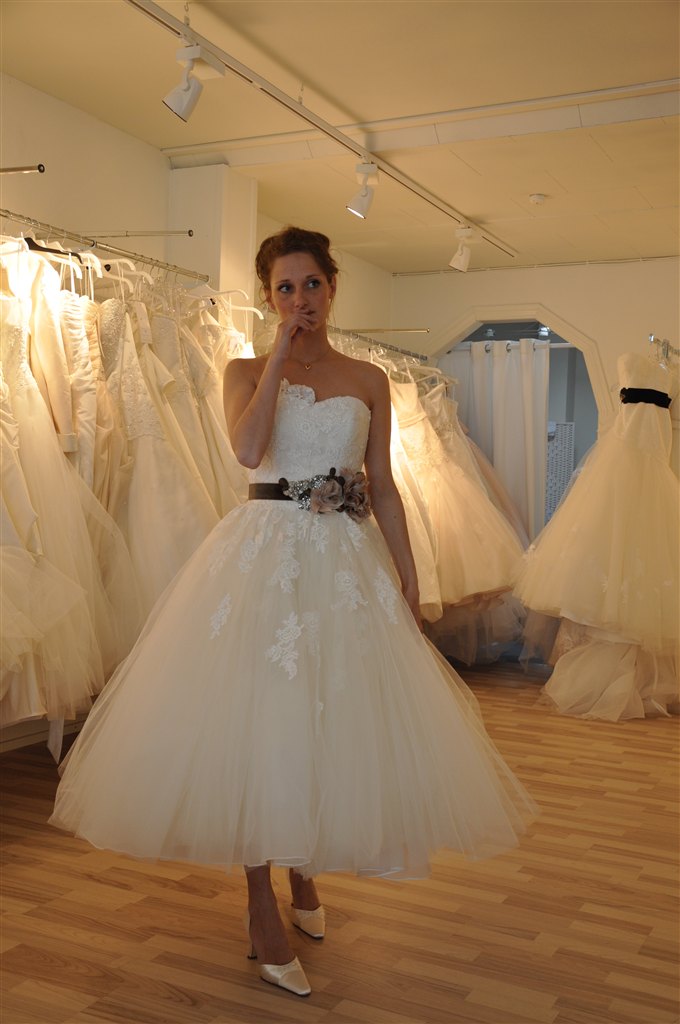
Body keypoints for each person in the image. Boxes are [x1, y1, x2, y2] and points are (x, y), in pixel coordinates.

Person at [50, 226, 536, 998]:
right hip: (263, 555)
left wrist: (410, 578)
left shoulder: (369, 377)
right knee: (258, 719)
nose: (300, 299)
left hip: (344, 559)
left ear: (333, 288)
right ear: (268, 297)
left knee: (325, 716)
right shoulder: (243, 369)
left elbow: (383, 485)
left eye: (312, 284)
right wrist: (278, 356)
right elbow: (248, 451)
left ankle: (303, 866)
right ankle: (259, 905)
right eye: (284, 288)